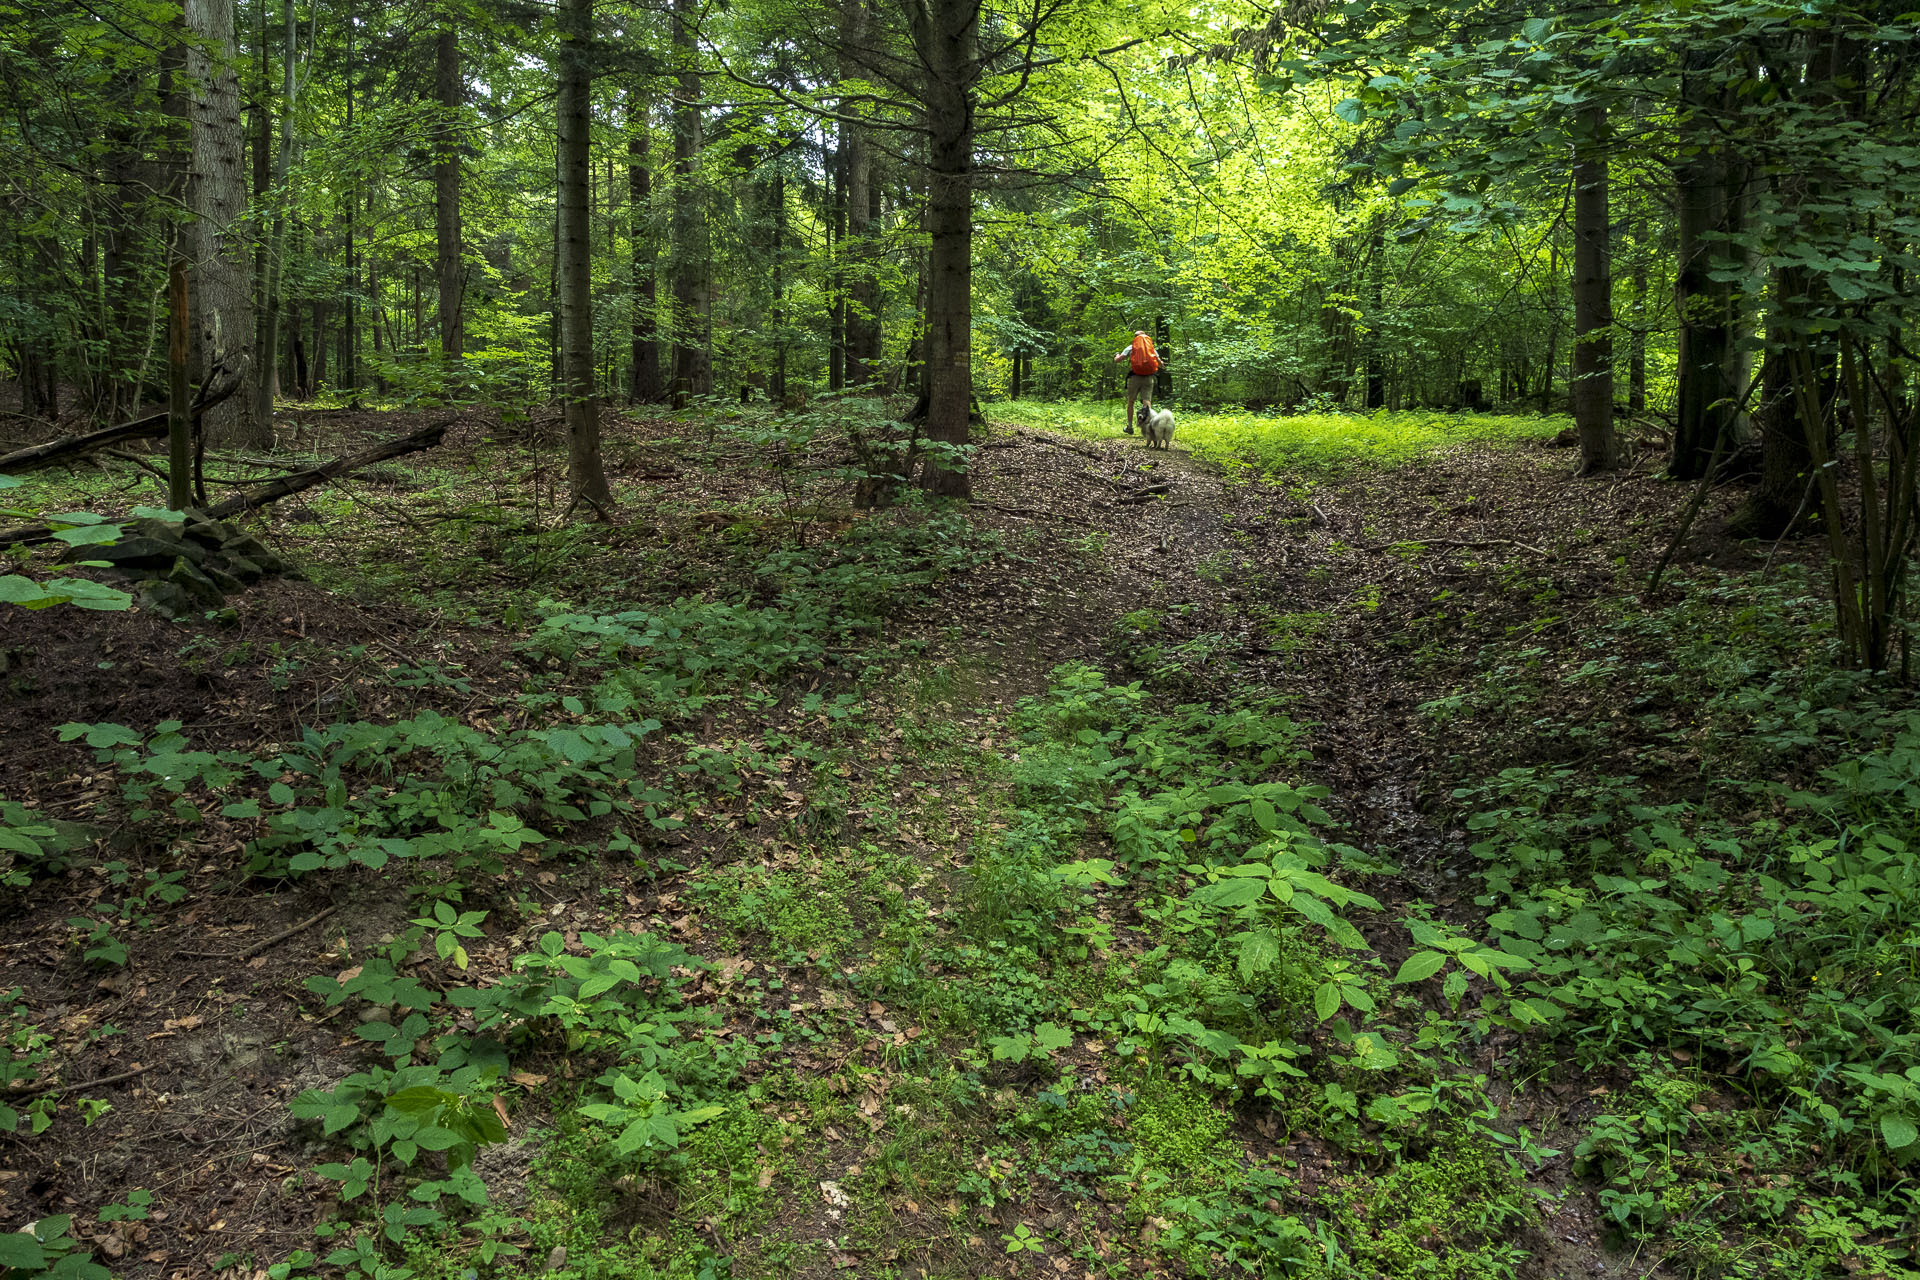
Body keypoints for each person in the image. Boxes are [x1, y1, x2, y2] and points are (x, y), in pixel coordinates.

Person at [1112, 332, 1165, 434]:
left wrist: (1116, 356)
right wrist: (1162, 365)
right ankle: (1150, 427)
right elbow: (1160, 363)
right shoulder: (1151, 348)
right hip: (1149, 377)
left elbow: (1118, 360)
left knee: (1131, 401)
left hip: (1135, 377)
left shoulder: (1132, 347)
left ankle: (1130, 426)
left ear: (1136, 338)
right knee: (1147, 400)